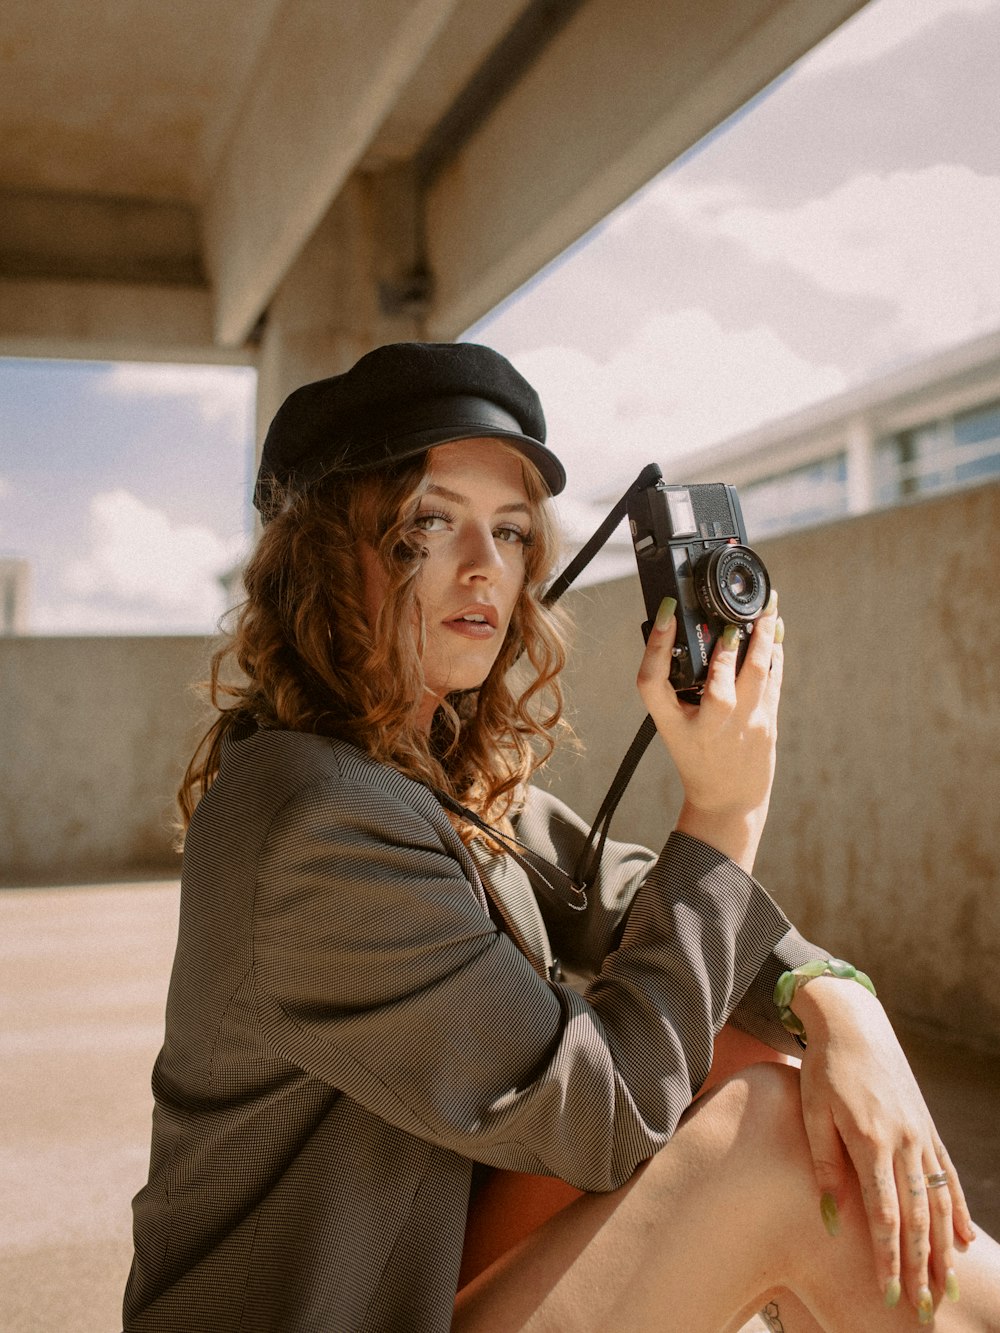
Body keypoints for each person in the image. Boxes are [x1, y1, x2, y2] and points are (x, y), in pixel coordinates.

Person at [124, 341, 1000, 1332]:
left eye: (506, 531)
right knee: (770, 1140)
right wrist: (725, 811)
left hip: (407, 1262)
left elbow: (609, 890)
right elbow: (611, 1107)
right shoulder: (317, 821)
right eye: (428, 522)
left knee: (773, 1075)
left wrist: (831, 999)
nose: (481, 567)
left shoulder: (415, 761)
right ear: (326, 556)